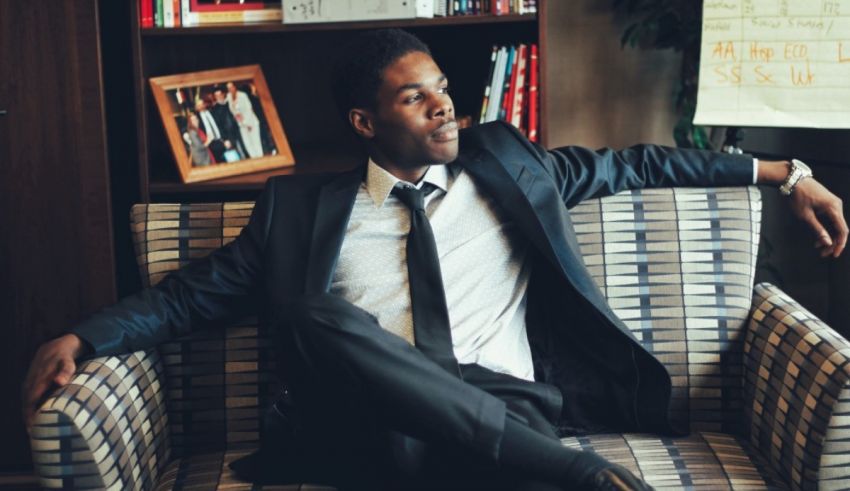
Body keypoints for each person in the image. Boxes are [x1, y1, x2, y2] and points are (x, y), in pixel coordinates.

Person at [23, 29, 847, 490]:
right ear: (361, 122)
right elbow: (186, 299)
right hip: (374, 422)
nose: (444, 102)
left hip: (514, 404)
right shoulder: (298, 210)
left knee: (481, 431)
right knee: (316, 315)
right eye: (414, 96)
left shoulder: (508, 163)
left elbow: (638, 164)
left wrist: (789, 174)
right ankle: (579, 478)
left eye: (442, 85)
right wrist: (86, 337)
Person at [227, 81, 264, 159]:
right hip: (241, 124)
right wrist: (238, 118)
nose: (230, 89)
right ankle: (254, 160)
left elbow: (249, 109)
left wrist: (247, 123)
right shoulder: (229, 96)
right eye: (228, 88)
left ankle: (261, 158)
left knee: (256, 142)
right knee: (247, 144)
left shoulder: (242, 95)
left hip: (251, 122)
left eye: (231, 87)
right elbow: (232, 110)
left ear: (234, 87)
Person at [211, 85, 247, 160]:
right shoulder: (214, 110)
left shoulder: (229, 103)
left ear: (223, 94)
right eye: (216, 95)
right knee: (235, 156)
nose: (219, 97)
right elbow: (218, 126)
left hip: (239, 130)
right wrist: (225, 139)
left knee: (245, 150)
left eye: (220, 94)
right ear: (215, 97)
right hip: (228, 135)